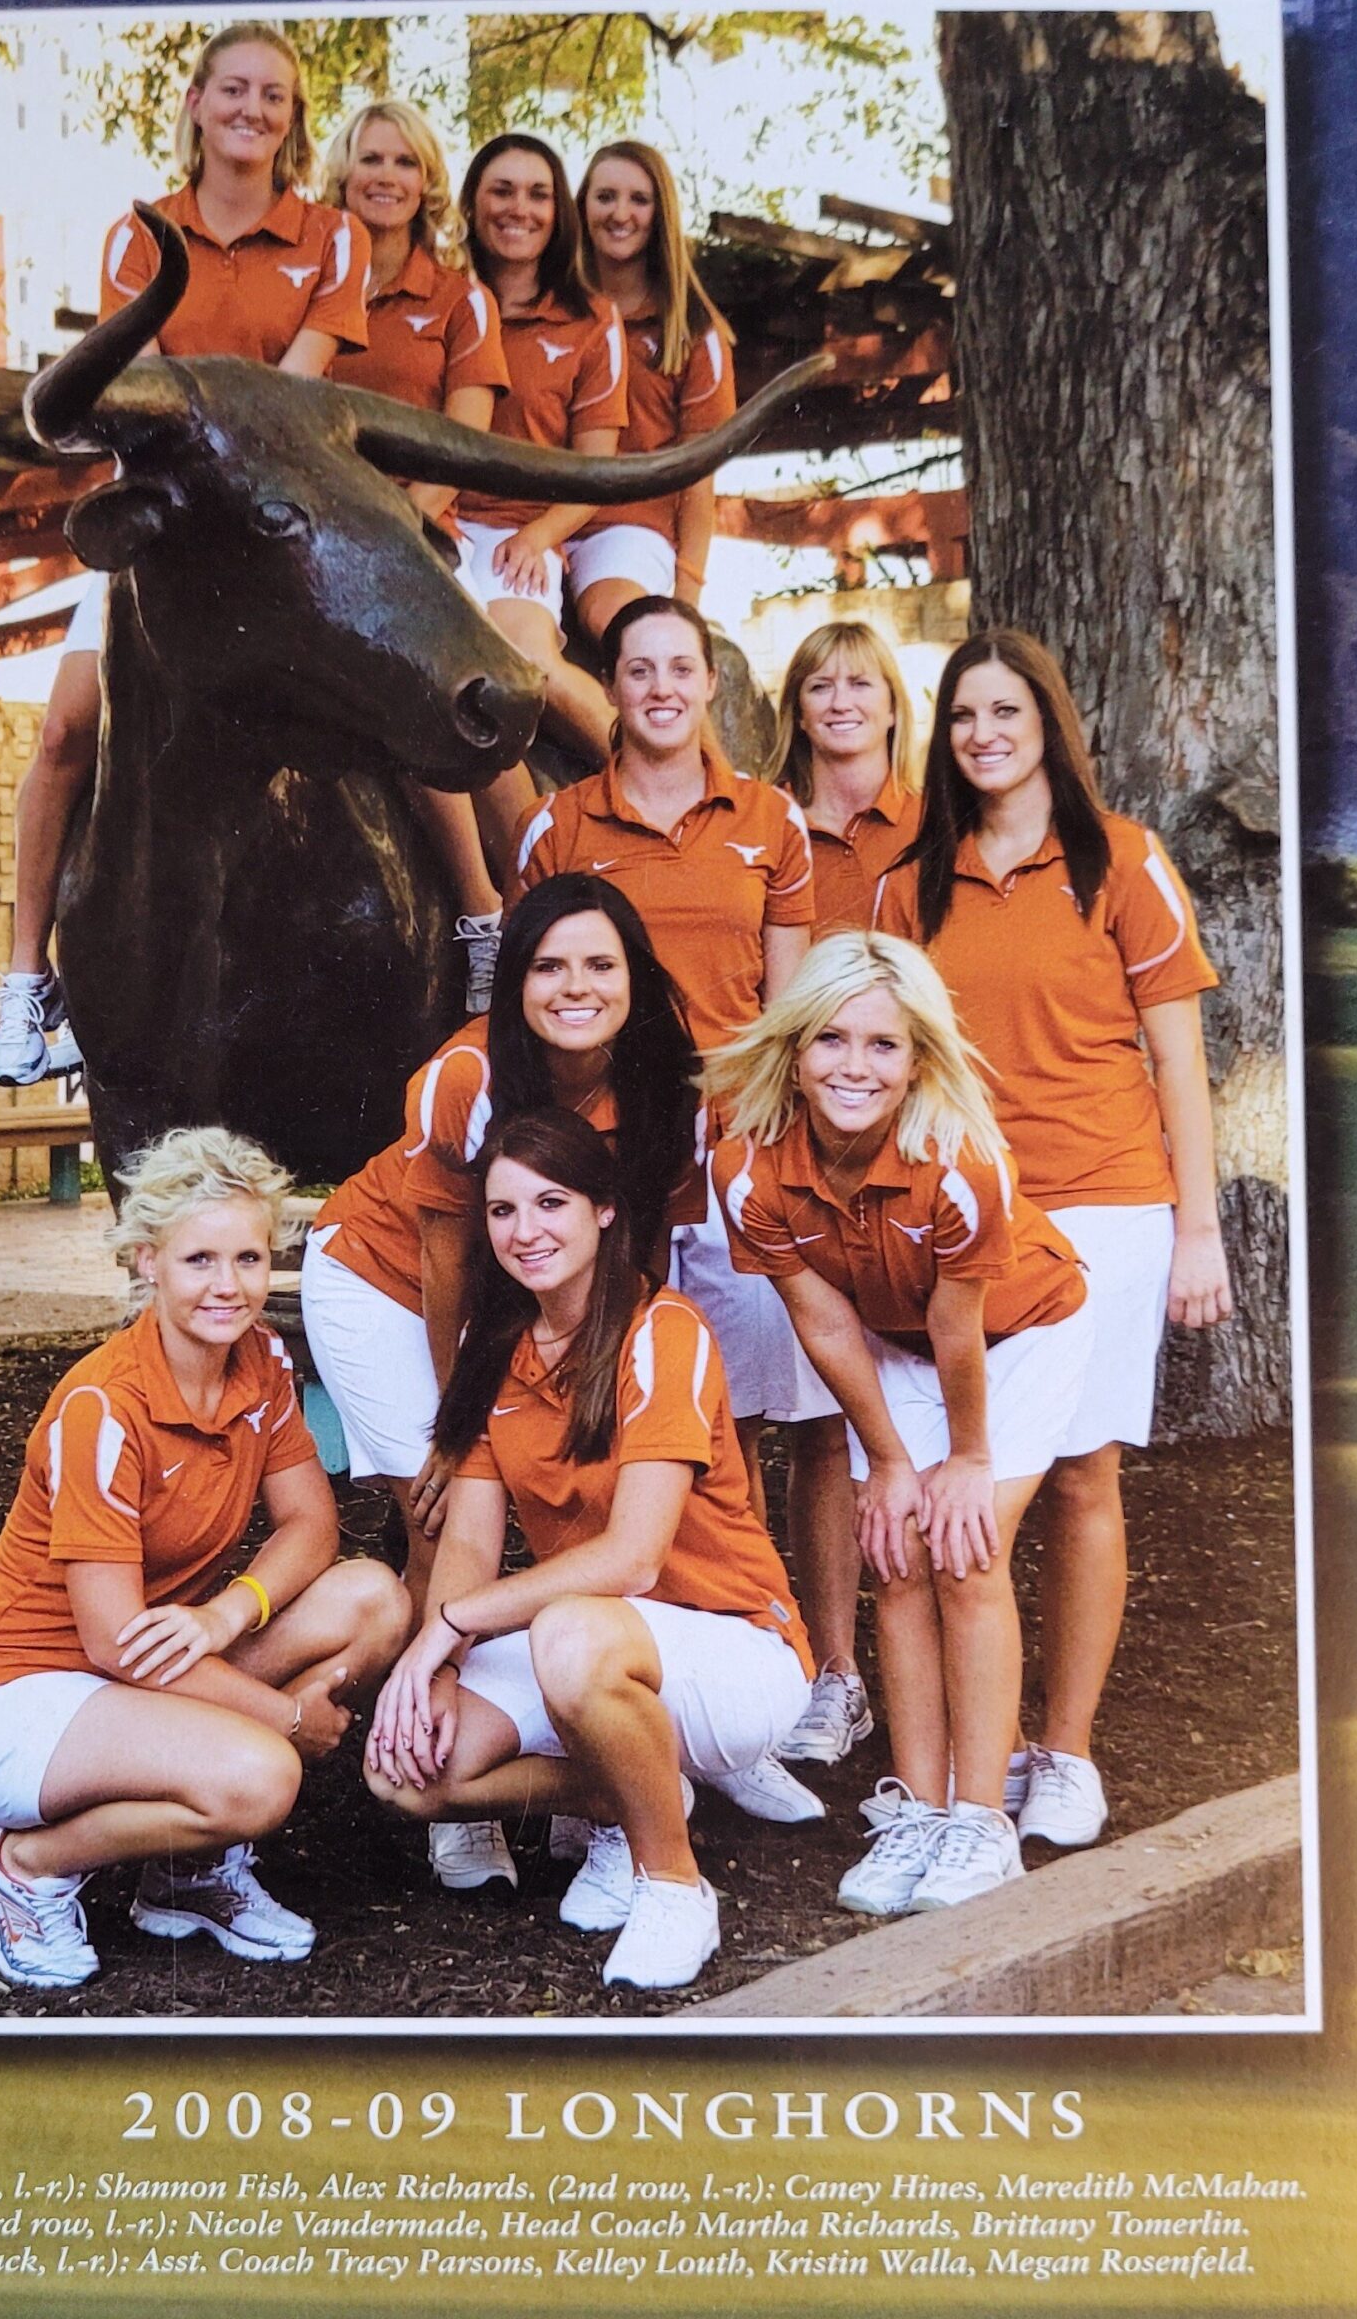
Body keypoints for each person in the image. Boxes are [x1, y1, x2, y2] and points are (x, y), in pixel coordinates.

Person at [875, 628, 1232, 1851]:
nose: (982, 734)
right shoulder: (909, 880)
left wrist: (1199, 1231)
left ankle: (1061, 1748)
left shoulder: (1121, 860)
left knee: (1079, 1472)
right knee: (967, 1498)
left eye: (1004, 712)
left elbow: (1179, 1061)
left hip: (1105, 1206)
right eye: (963, 716)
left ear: (1047, 726)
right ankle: (972, 1755)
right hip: (964, 1215)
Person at [0, 21, 369, 1087]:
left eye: (274, 97)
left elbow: (288, 400)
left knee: (385, 700)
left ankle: (465, 937)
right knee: (66, 723)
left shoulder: (332, 237)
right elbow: (139, 396)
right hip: (159, 520)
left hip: (282, 525)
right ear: (196, 102)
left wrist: (225, 437)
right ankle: (25, 987)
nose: (252, 109)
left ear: (292, 120)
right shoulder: (140, 233)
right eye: (233, 89)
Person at [0, 1126, 410, 1991]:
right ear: (147, 1262)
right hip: (25, 1694)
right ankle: (22, 1867)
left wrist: (227, 1613)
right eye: (199, 1261)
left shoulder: (260, 1359)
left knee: (374, 1598)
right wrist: (287, 1721)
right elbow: (117, 1644)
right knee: (264, 1778)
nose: (229, 1287)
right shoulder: (101, 1408)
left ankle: (187, 1872)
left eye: (249, 1259)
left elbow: (312, 1524)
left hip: (161, 1657)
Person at [301, 876, 701, 1890]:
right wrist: (455, 1426)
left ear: (632, 976)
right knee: (443, 1516)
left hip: (533, 1284)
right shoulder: (463, 1077)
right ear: (511, 982)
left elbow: (634, 1229)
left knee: (585, 1515)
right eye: (546, 966)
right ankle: (444, 1774)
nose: (574, 987)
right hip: (386, 1285)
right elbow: (445, 1266)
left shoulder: (661, 1068)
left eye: (598, 964)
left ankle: (576, 1751)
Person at [364, 1110, 813, 1992]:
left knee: (572, 1633)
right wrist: (442, 1670)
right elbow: (471, 1544)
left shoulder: (663, 1330)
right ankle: (630, 1796)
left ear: (604, 1210)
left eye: (550, 1203)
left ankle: (673, 1884)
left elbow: (634, 1559)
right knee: (408, 1771)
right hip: (596, 1645)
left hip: (732, 1653)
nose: (524, 1232)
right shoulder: (493, 1354)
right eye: (501, 1211)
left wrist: (446, 1627)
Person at [511, 593, 831, 1829]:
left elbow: (789, 1013)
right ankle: (642, 1689)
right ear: (613, 684)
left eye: (678, 668)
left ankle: (740, 1693)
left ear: (710, 686)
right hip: (606, 1171)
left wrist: (760, 1148)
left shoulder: (768, 821)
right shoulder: (559, 821)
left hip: (728, 1160)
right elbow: (534, 992)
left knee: (736, 1431)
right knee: (619, 1426)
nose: (656, 688)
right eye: (633, 667)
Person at [704, 935, 1093, 1917]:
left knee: (963, 1550)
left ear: (917, 1058)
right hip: (893, 1341)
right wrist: (883, 1460)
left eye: (882, 1045)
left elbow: (960, 1328)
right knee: (895, 1552)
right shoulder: (746, 1168)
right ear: (791, 1050)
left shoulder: (960, 1162)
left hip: (1021, 1338)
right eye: (828, 1038)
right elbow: (825, 1320)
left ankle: (980, 1823)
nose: (852, 1065)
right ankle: (918, 1809)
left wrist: (964, 1459)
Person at [764, 619, 923, 1769]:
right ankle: (835, 1669)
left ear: (888, 702)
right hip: (801, 1135)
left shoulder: (930, 822)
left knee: (918, 1412)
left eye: (858, 683)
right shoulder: (769, 824)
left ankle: (935, 1660)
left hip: (907, 1132)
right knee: (821, 1416)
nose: (838, 700)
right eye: (818, 685)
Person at [322, 98, 514, 1009]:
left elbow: (464, 439)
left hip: (419, 533)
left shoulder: (460, 299)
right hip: (318, 536)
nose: (386, 176)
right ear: (343, 170)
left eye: (404, 162)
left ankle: (483, 912)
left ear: (427, 181)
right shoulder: (315, 280)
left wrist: (399, 526)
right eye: (371, 159)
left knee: (416, 684)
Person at [451, 132, 626, 811]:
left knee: (530, 669)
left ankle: (671, 780)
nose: (518, 209)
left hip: (519, 533)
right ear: (472, 204)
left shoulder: (590, 319)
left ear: (559, 213)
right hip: (436, 524)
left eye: (537, 193)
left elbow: (594, 467)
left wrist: (539, 536)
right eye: (501, 190)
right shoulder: (444, 299)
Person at [569, 140, 736, 644]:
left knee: (620, 627)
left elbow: (698, 479)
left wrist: (687, 600)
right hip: (528, 524)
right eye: (605, 197)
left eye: (638, 200)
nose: (620, 214)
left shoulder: (694, 334)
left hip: (627, 532)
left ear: (660, 213)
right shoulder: (550, 309)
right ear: (582, 207)